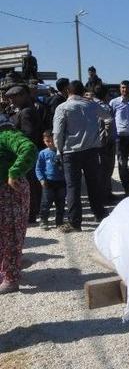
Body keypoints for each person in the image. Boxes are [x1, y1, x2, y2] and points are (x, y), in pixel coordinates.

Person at [53, 80, 112, 232]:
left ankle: (75, 222)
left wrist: (59, 149)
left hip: (70, 152)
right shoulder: (92, 105)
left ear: (68, 91)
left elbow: (58, 132)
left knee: (73, 187)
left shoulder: (62, 107)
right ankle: (99, 213)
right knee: (94, 183)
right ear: (83, 91)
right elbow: (108, 117)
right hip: (92, 150)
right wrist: (103, 135)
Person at [0, 113, 38, 293]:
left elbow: (29, 148)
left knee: (10, 236)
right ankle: (7, 270)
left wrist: (14, 172)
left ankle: (11, 278)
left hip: (10, 193)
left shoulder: (6, 134)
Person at [6, 85, 44, 224]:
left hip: (26, 154)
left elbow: (28, 134)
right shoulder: (25, 110)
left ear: (23, 96)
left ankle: (31, 214)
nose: (11, 101)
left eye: (13, 97)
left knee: (29, 185)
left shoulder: (26, 112)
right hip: (28, 153)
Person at [109, 81, 129, 196]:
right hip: (120, 139)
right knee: (122, 165)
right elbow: (109, 119)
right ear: (120, 89)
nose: (125, 90)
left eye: (127, 88)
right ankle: (128, 190)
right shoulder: (114, 103)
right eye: (122, 88)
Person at [93, 85, 118, 203]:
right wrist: (107, 138)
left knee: (101, 170)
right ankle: (105, 196)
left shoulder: (90, 105)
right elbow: (108, 123)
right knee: (106, 169)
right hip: (105, 143)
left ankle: (105, 194)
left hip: (95, 142)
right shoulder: (104, 107)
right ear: (105, 95)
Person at [35, 131, 64, 229]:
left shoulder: (61, 152)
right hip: (48, 182)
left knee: (60, 202)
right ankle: (43, 220)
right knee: (46, 202)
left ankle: (59, 221)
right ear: (44, 141)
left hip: (61, 181)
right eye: (47, 141)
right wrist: (41, 179)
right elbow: (38, 168)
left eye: (52, 141)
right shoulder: (42, 153)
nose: (50, 143)